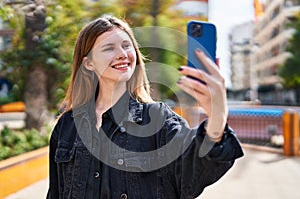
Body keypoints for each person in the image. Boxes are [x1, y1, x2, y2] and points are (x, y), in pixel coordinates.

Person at [47, 15, 243, 199]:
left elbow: (198, 165)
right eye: (109, 48)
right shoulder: (68, 125)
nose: (122, 54)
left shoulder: (158, 119)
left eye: (127, 46)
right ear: (88, 63)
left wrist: (217, 115)